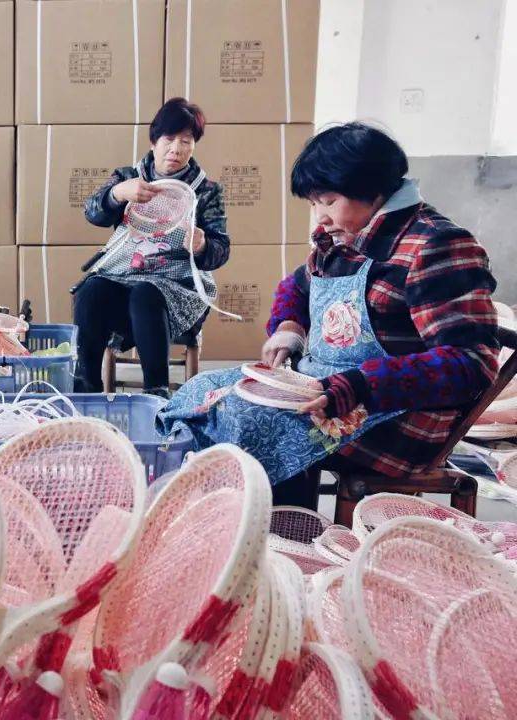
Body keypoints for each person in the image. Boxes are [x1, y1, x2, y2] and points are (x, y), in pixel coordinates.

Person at [157, 122, 499, 489]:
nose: (320, 216)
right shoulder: (341, 236)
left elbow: (471, 363)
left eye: (329, 201)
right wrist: (289, 327)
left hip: (395, 417)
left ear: (372, 190)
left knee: (246, 420)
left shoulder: (437, 246)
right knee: (199, 393)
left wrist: (360, 385)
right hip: (321, 385)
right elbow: (297, 286)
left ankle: (280, 520)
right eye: (314, 203)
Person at [72, 97, 231, 397]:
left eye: (186, 141)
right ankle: (85, 390)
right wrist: (118, 193)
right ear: (153, 141)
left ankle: (156, 394)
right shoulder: (127, 178)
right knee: (91, 291)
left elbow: (221, 250)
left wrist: (202, 244)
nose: (176, 149)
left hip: (177, 289)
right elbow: (93, 214)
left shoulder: (207, 191)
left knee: (146, 294)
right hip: (124, 277)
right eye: (169, 139)